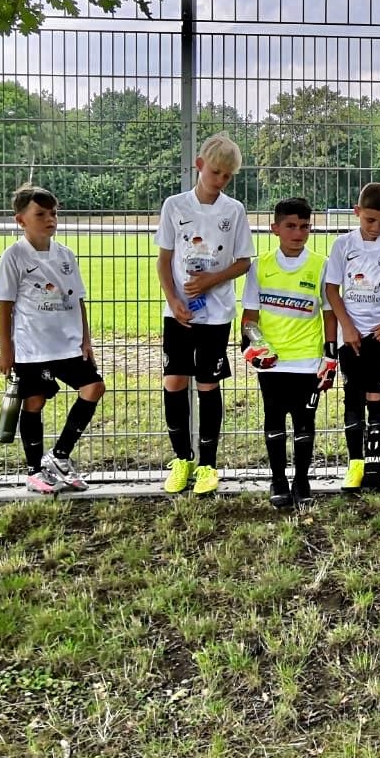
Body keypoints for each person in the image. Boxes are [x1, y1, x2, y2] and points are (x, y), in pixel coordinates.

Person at [155, 134, 255, 495]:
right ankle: (182, 459)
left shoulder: (234, 210)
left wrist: (212, 279)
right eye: (215, 172)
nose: (220, 180)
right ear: (199, 165)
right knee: (174, 381)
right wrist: (173, 300)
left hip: (215, 314)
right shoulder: (174, 206)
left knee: (208, 384)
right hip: (179, 313)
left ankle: (208, 466)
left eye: (227, 176)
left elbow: (243, 262)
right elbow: (164, 261)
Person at [0, 184, 106, 493]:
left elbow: (78, 299)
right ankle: (35, 471)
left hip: (68, 344)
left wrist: (85, 340)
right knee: (35, 401)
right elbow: (4, 306)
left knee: (94, 387)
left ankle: (59, 456)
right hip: (33, 347)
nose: (50, 219)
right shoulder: (14, 256)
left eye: (53, 213)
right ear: (21, 220)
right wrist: (6, 350)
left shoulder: (65, 255)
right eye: (40, 214)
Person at [240, 197, 335, 510]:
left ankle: (302, 481)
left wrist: (330, 355)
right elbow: (249, 316)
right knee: (274, 420)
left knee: (305, 422)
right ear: (275, 228)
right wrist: (249, 344)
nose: (298, 233)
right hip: (272, 363)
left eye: (304, 226)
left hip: (308, 361)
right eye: (291, 226)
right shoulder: (260, 266)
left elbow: (329, 313)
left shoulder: (320, 264)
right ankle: (278, 480)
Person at [325, 181, 380, 492]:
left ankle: (376, 465)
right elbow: (332, 290)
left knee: (377, 395)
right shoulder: (342, 245)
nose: (376, 228)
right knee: (353, 395)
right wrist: (347, 326)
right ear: (357, 212)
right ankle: (355, 465)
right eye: (370, 220)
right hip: (352, 335)